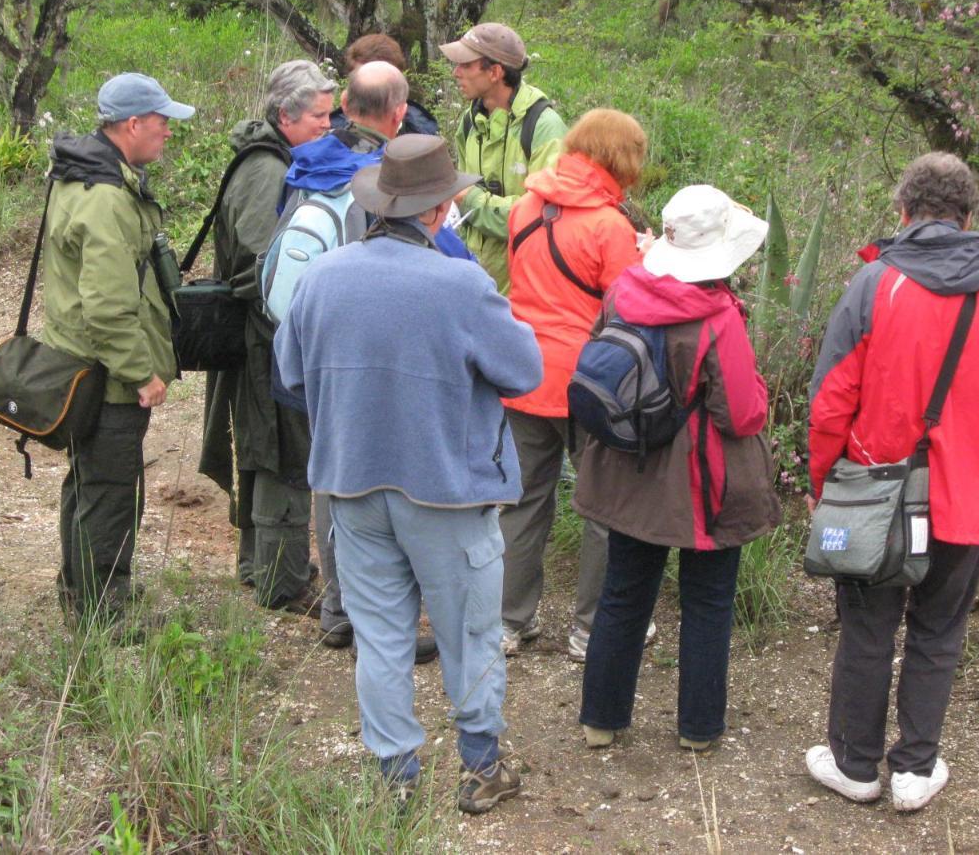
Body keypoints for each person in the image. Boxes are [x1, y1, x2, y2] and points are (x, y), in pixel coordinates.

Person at [273, 134, 543, 812]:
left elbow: (290, 375)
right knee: (470, 635)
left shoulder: (325, 276)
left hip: (349, 485)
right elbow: (525, 372)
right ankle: (480, 769)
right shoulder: (462, 284)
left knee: (381, 637)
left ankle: (395, 779)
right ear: (436, 211)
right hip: (447, 491)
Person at [804, 152, 979, 811]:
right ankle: (915, 769)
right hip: (971, 500)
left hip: (880, 498)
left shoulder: (874, 287)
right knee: (939, 633)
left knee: (866, 630)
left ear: (903, 213)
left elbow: (831, 399)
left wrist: (822, 482)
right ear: (969, 217)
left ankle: (855, 765)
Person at [575, 185, 781, 751]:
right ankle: (697, 730)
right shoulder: (717, 317)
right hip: (700, 487)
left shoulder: (623, 291)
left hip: (627, 472)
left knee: (622, 595)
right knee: (708, 603)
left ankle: (601, 720)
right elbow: (741, 414)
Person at [280, 60, 465, 661]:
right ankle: (387, 623)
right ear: (398, 113)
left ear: (343, 108)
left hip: (317, 348)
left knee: (333, 475)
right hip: (388, 356)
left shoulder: (307, 162)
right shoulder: (387, 180)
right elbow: (455, 269)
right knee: (391, 488)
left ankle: (338, 610)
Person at [498, 108, 654, 660]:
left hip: (522, 373)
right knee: (603, 507)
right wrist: (648, 258)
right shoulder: (610, 227)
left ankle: (509, 623)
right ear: (621, 158)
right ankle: (592, 628)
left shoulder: (524, 207)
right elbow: (629, 308)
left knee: (521, 502)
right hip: (591, 385)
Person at [42, 73, 194, 624]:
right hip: (107, 375)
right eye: (162, 123)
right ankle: (102, 611)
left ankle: (78, 592)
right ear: (132, 125)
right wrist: (141, 373)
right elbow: (107, 305)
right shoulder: (106, 196)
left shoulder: (80, 174)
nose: (168, 133)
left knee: (87, 483)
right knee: (109, 491)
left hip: (80, 362)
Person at [199, 60, 336, 614]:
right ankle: (282, 583)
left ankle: (263, 569)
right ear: (286, 115)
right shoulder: (266, 172)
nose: (329, 125)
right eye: (320, 117)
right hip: (268, 340)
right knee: (280, 455)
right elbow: (265, 269)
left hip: (265, 339)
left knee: (264, 450)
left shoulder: (275, 160)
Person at [441, 22, 567, 290]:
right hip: (472, 280)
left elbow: (545, 215)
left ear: (495, 72)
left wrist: (470, 200)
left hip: (525, 290)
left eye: (465, 65)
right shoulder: (469, 122)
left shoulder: (544, 127)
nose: (456, 72)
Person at [328, 33, 440, 136]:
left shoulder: (423, 134)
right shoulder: (328, 135)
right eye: (361, 82)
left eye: (380, 83)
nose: (372, 92)